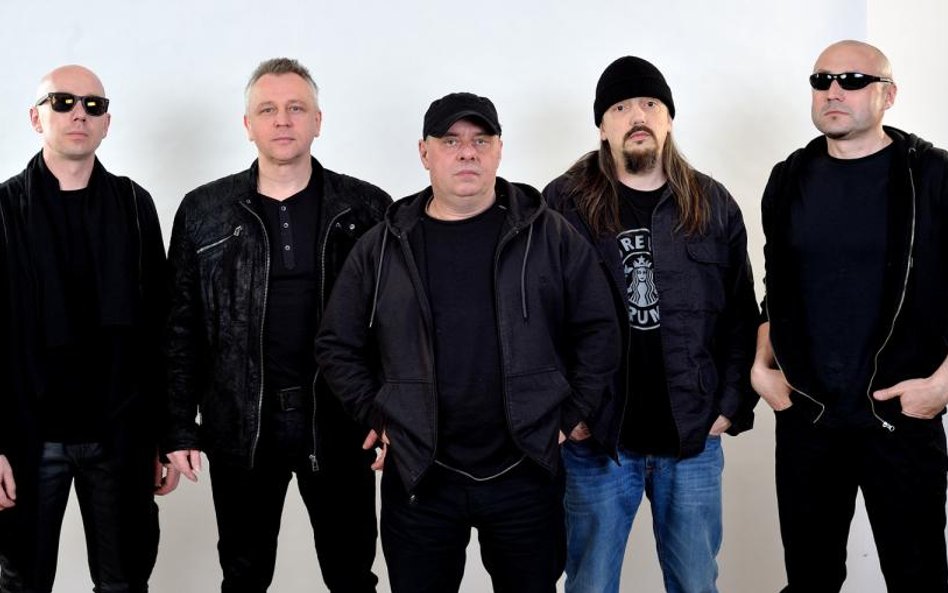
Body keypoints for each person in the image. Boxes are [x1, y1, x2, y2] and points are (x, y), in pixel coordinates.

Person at [315, 92, 620, 593]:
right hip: (421, 476)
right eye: (450, 140)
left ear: (499, 150)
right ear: (424, 152)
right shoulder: (384, 244)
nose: (467, 152)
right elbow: (336, 343)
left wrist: (570, 415)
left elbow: (599, 328)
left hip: (525, 472)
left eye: (481, 140)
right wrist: (380, 414)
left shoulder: (549, 234)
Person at [163, 58, 390, 593]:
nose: (282, 120)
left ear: (318, 120)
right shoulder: (204, 211)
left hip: (341, 423)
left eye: (296, 108)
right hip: (240, 425)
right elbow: (180, 329)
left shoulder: (367, 208)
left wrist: (391, 414)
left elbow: (394, 326)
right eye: (268, 110)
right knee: (243, 577)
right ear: (248, 125)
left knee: (352, 576)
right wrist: (177, 425)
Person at [543, 56, 759, 593]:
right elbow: (537, 318)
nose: (636, 115)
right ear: (602, 126)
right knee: (590, 583)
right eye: (620, 107)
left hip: (691, 438)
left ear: (668, 118)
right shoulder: (563, 205)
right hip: (597, 439)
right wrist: (568, 412)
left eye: (649, 103)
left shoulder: (711, 203)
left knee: (695, 582)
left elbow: (741, 314)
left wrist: (730, 405)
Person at [753, 40, 948, 592]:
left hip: (900, 417)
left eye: (854, 80)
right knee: (809, 581)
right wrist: (761, 368)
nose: (834, 91)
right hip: (808, 417)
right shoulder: (788, 179)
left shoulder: (932, 176)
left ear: (889, 94)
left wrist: (942, 386)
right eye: (822, 80)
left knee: (919, 581)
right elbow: (776, 289)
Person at [0, 65, 177, 593]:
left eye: (93, 105)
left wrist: (168, 433)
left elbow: (160, 326)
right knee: (22, 581)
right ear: (36, 118)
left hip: (120, 434)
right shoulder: (4, 209)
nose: (79, 113)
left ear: (106, 123)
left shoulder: (133, 205)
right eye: (63, 102)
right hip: (29, 436)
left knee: (124, 581)